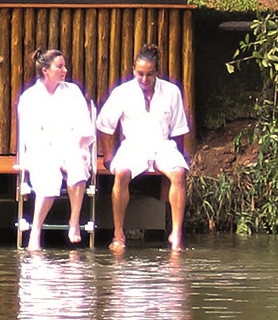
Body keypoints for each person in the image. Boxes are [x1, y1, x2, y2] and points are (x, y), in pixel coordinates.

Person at [96, 44, 192, 251]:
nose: (144, 79)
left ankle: (176, 235)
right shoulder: (122, 92)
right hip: (133, 145)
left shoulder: (171, 91)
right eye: (140, 74)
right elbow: (104, 125)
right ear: (133, 70)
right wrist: (108, 153)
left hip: (162, 144)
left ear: (156, 72)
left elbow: (179, 129)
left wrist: (180, 156)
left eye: (149, 74)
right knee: (121, 173)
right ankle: (118, 235)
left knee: (178, 172)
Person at [14, 47, 95, 250]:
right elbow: (30, 135)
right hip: (43, 149)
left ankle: (74, 221)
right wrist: (52, 156)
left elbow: (84, 124)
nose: (65, 70)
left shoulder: (73, 92)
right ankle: (36, 231)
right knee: (49, 177)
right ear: (45, 70)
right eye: (59, 66)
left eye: (64, 66)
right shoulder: (30, 97)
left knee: (77, 165)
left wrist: (76, 148)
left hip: (70, 145)